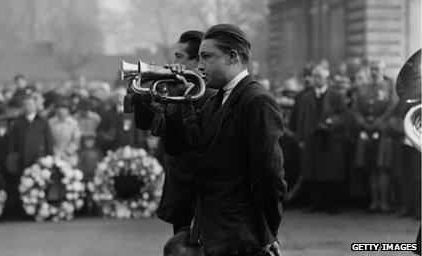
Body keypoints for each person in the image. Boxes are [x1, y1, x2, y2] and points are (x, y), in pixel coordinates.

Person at [160, 24, 286, 256]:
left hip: (240, 234)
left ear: (232, 57)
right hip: (216, 230)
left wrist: (269, 232)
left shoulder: (256, 100)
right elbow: (180, 147)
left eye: (207, 57)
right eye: (198, 58)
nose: (199, 66)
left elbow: (269, 174)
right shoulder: (214, 100)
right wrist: (180, 101)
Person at [133, 30, 214, 235]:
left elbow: (179, 141)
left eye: (179, 57)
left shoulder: (209, 93)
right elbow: (146, 123)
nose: (172, 63)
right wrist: (141, 89)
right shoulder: (174, 88)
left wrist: (181, 91)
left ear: (197, 62)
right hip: (180, 185)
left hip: (199, 187)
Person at [291, 65, 347, 214]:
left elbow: (344, 115)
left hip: (331, 138)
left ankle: (331, 204)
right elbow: (301, 119)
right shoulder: (305, 97)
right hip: (312, 139)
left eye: (320, 77)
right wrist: (301, 139)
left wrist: (331, 121)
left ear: (326, 78)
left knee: (331, 172)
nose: (317, 80)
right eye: (315, 76)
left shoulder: (337, 95)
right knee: (313, 171)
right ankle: (316, 203)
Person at [353, 60, 396, 212]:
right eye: (372, 69)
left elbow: (392, 107)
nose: (374, 72)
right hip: (367, 131)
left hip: (383, 131)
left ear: (383, 70)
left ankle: (385, 202)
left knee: (383, 167)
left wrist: (379, 121)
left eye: (377, 69)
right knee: (371, 168)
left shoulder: (390, 88)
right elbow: (356, 109)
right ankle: (375, 201)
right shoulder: (363, 89)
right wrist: (362, 122)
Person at [48, 97, 81, 166]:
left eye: (64, 109)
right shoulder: (50, 122)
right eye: (59, 109)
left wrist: (68, 151)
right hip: (53, 153)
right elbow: (48, 139)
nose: (61, 111)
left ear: (68, 110)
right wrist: (55, 151)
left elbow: (76, 140)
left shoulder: (74, 123)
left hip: (69, 155)